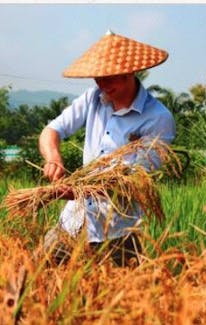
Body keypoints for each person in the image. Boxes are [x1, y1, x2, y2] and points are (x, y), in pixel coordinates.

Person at [39, 30, 176, 266]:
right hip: (74, 221)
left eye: (109, 78)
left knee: (115, 299)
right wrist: (53, 157)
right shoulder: (93, 98)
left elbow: (134, 183)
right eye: (97, 78)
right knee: (35, 278)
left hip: (117, 232)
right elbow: (51, 131)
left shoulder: (158, 118)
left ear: (130, 72)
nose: (102, 85)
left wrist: (77, 191)